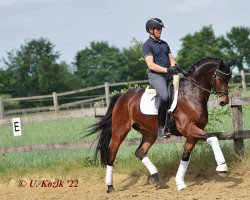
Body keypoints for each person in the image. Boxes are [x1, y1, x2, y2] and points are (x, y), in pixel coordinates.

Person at [142, 18, 179, 138]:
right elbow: (150, 65)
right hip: (156, 76)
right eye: (158, 28)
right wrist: (167, 70)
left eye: (161, 28)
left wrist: (174, 67)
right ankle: (161, 128)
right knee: (165, 96)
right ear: (150, 30)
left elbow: (171, 60)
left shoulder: (164, 44)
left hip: (168, 75)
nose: (160, 30)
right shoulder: (147, 45)